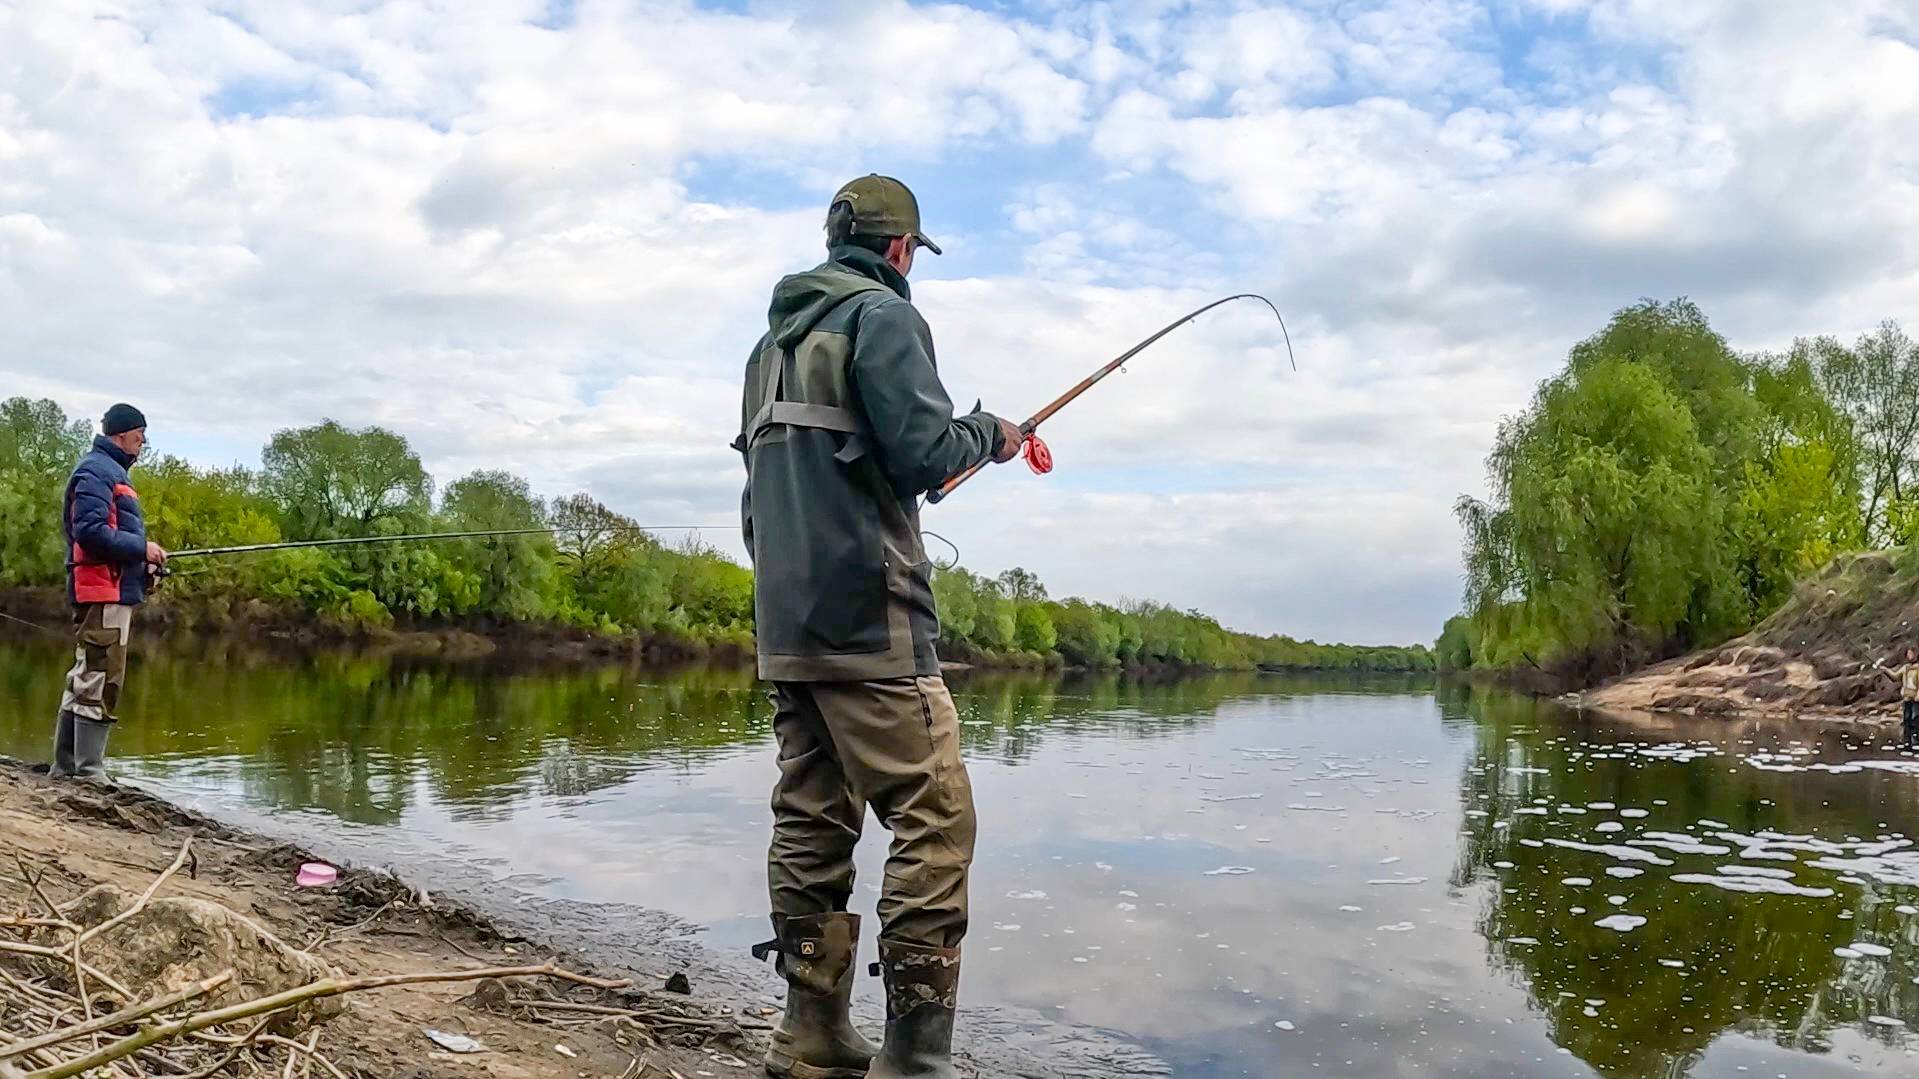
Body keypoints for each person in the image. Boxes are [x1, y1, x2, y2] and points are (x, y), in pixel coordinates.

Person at [735, 175, 1021, 1079]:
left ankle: (808, 1032)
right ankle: (916, 1059)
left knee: (813, 820)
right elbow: (927, 451)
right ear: (902, 250)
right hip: (871, 619)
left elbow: (771, 485)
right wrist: (992, 432)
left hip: (787, 621)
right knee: (934, 820)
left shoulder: (766, 345)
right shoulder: (884, 319)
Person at [52, 403, 166, 780]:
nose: (143, 442)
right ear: (121, 434)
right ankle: (88, 771)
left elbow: (110, 533)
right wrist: (141, 548)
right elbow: (90, 532)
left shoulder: (110, 472)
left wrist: (144, 559)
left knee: (88, 671)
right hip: (102, 589)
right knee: (101, 674)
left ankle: (67, 767)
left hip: (112, 586)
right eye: (139, 436)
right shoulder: (96, 471)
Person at [1881, 646, 1919, 748]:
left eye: (1911, 654)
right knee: (1906, 719)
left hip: (1916, 700)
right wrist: (1885, 670)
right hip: (1907, 698)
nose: (1909, 656)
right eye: (1908, 654)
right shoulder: (1905, 668)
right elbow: (1894, 677)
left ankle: (1915, 741)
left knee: (1915, 719)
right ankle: (1907, 742)